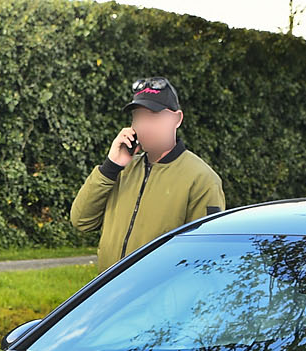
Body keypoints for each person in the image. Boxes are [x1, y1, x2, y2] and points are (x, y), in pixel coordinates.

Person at [70, 77, 225, 272]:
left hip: (160, 300)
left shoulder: (202, 179)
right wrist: (110, 166)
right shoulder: (122, 170)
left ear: (177, 119)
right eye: (138, 117)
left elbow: (205, 260)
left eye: (153, 116)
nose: (143, 126)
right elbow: (81, 221)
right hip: (110, 295)